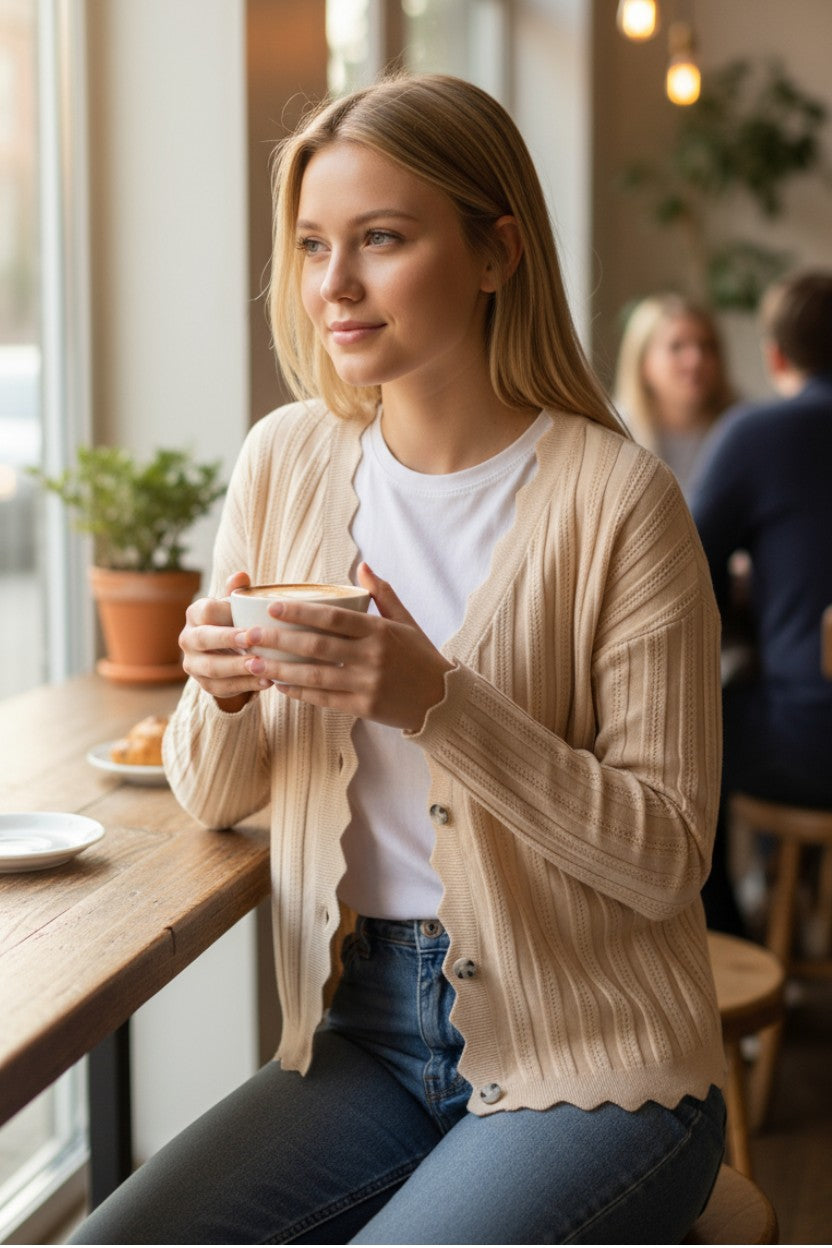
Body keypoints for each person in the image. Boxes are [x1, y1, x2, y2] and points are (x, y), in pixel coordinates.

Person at [71, 74, 726, 1245]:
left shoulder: (621, 501)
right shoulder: (284, 462)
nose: (334, 284)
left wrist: (439, 703)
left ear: (494, 253)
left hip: (600, 1056)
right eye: (315, 244)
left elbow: (667, 857)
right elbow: (213, 794)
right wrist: (218, 691)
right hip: (363, 1033)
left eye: (382, 238)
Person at [691, 269, 832, 936]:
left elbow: (686, 572)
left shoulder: (757, 433)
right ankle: (801, 899)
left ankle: (726, 939)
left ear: (775, 356)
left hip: (808, 749)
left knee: (693, 730)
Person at [613, 293, 736, 497]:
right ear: (643, 362)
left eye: (707, 346)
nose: (696, 359)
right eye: (676, 347)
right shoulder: (616, 433)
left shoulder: (741, 426)